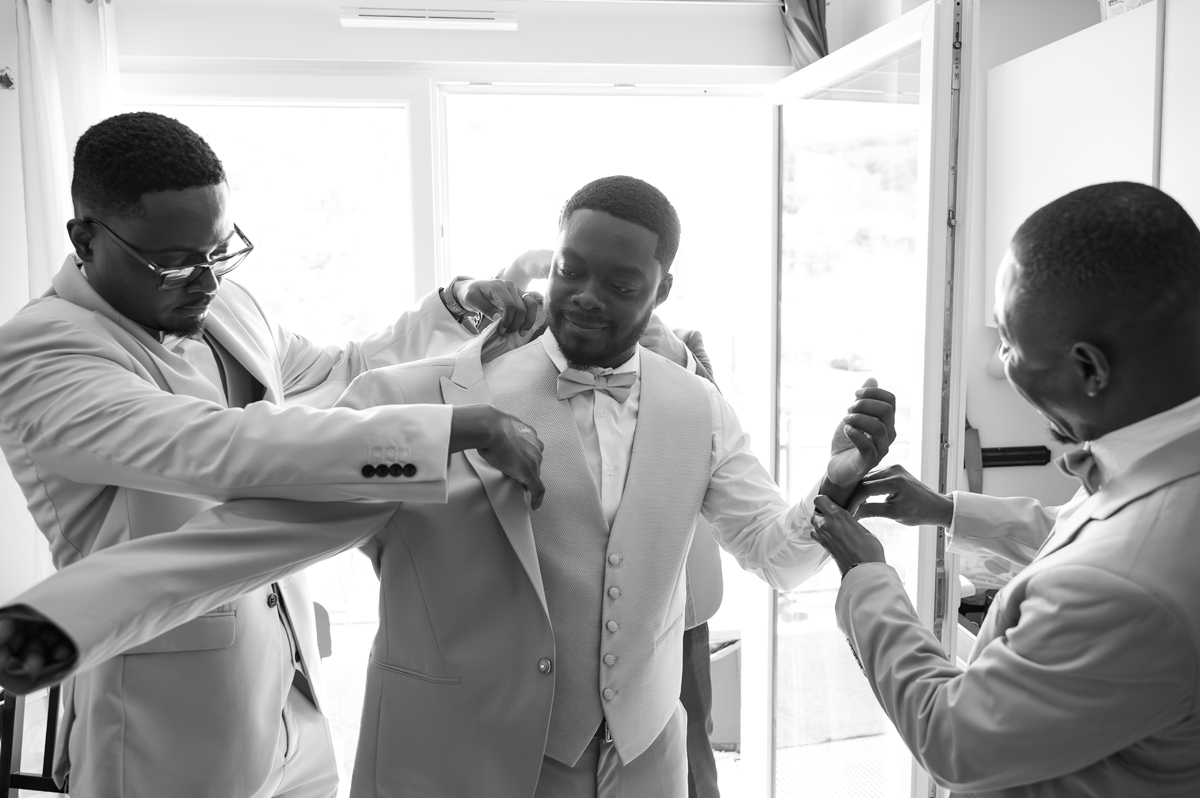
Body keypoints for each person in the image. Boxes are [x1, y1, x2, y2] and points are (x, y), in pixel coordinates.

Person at [0, 175, 897, 798]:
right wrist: (59, 624)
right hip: (462, 769)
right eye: (570, 269)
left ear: (663, 289)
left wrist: (839, 481)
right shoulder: (423, 402)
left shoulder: (699, 407)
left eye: (621, 283)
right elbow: (243, 542)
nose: (586, 296)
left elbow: (778, 558)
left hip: (643, 765)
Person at [0, 111, 545, 798]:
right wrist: (448, 432)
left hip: (293, 699)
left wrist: (456, 308)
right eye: (176, 262)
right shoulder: (42, 350)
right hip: (166, 727)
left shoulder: (225, 305)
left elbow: (342, 371)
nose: (206, 280)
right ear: (85, 238)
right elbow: (218, 447)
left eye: (220, 250)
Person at [810, 182, 1200, 797]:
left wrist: (867, 576)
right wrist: (946, 510)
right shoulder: (1166, 454)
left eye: (1009, 343)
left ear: (1090, 368)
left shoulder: (1128, 584)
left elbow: (952, 738)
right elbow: (1081, 534)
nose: (1002, 359)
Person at [499, 253, 725, 798]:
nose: (595, 298)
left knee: (689, 736)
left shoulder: (683, 346)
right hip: (559, 617)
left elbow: (718, 436)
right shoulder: (531, 353)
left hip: (675, 599)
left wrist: (670, 352)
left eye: (621, 283)